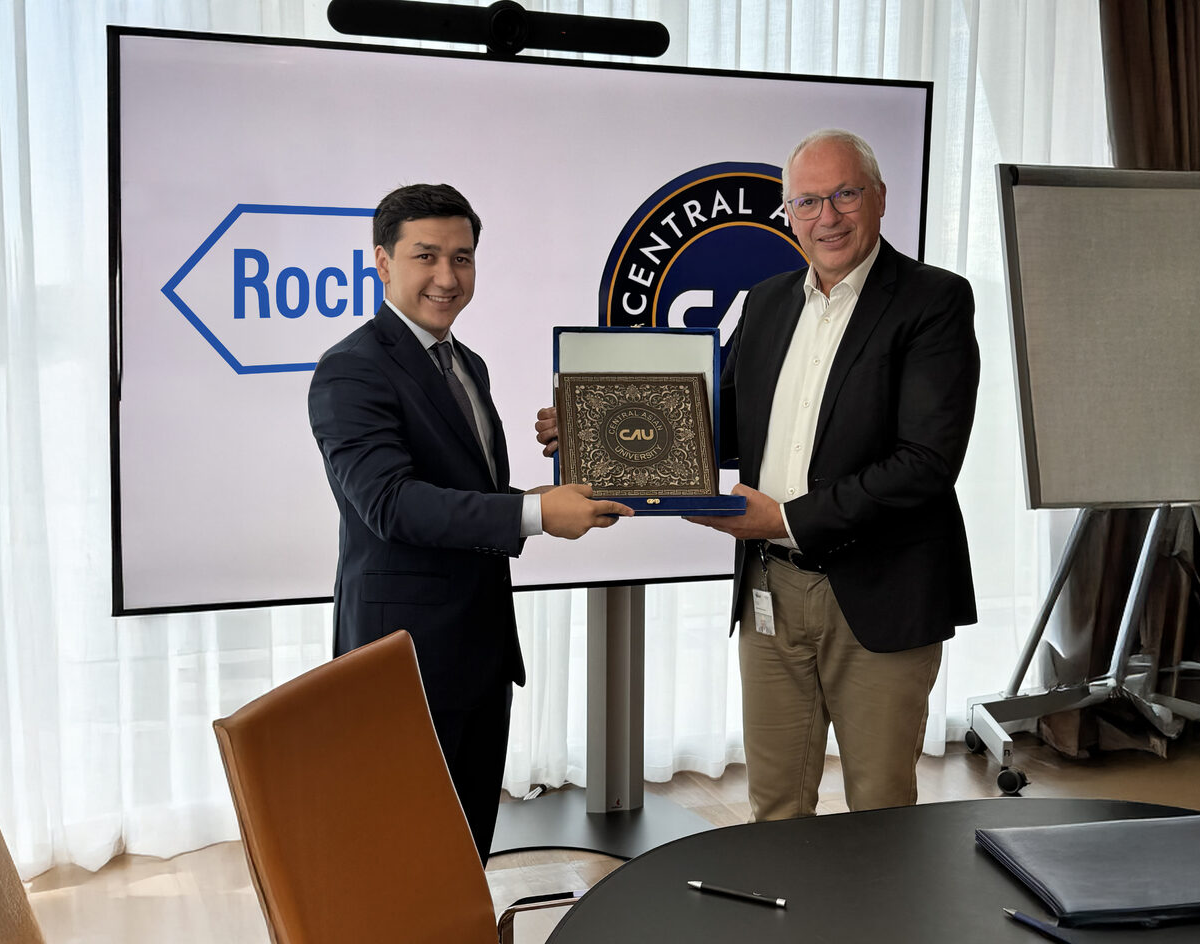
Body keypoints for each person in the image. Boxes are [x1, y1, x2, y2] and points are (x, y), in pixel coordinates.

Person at [538, 129, 979, 822]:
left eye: (844, 195)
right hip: (771, 588)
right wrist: (594, 430)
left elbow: (925, 463)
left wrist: (788, 519)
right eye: (807, 201)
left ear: (879, 198)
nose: (827, 216)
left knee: (881, 815)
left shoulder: (934, 300)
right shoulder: (768, 301)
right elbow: (714, 425)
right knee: (773, 807)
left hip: (883, 591)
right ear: (788, 213)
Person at [308, 183, 632, 863]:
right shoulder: (351, 370)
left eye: (462, 257)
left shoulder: (466, 363)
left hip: (480, 654)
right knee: (406, 863)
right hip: (405, 662)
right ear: (382, 262)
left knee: (464, 854)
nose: (447, 277)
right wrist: (536, 513)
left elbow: (465, 494)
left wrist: (551, 486)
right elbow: (392, 504)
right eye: (426, 256)